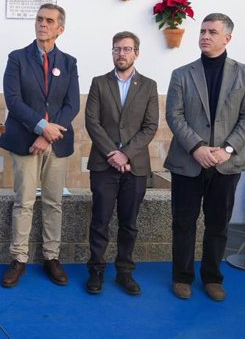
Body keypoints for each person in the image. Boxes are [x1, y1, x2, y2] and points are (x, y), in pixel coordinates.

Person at [165, 13, 245, 302]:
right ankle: (182, 277)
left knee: (218, 224)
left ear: (227, 38)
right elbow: (174, 115)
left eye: (212, 32)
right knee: (183, 222)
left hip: (226, 163)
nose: (205, 36)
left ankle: (212, 278)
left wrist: (227, 149)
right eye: (203, 31)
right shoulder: (182, 74)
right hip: (188, 162)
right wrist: (197, 147)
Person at [0, 3, 80, 287]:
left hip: (55, 145)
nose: (42, 24)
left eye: (49, 20)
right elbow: (13, 100)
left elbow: (72, 104)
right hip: (24, 142)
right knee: (23, 202)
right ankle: (19, 258)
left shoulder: (69, 62)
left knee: (53, 202)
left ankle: (51, 257)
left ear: (60, 29)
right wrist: (41, 126)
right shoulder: (17, 58)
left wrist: (47, 135)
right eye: (39, 19)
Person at [84, 31, 158, 295]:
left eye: (127, 49)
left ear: (136, 53)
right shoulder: (99, 83)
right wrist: (113, 154)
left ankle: (124, 272)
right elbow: (92, 122)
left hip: (134, 167)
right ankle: (96, 270)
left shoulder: (149, 86)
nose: (121, 54)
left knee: (129, 223)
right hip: (104, 166)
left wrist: (126, 154)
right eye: (117, 49)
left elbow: (150, 127)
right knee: (100, 220)